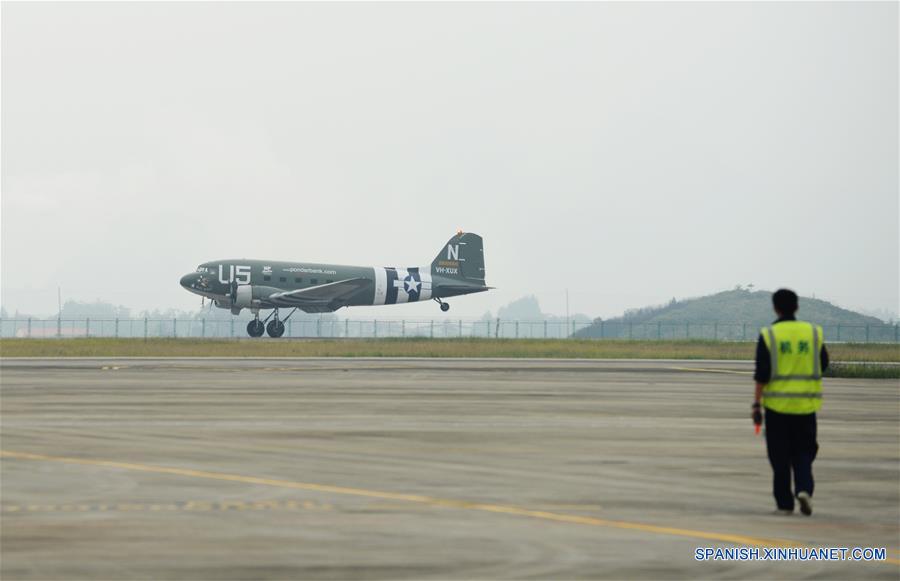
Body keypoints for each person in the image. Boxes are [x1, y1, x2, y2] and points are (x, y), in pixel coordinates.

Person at [752, 288, 828, 516]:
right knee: (804, 451)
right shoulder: (812, 332)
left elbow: (762, 374)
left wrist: (756, 405)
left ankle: (784, 504)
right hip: (806, 406)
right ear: (797, 307)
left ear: (775, 307)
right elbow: (822, 363)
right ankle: (804, 489)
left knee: (779, 456)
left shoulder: (769, 335)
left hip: (777, 407)